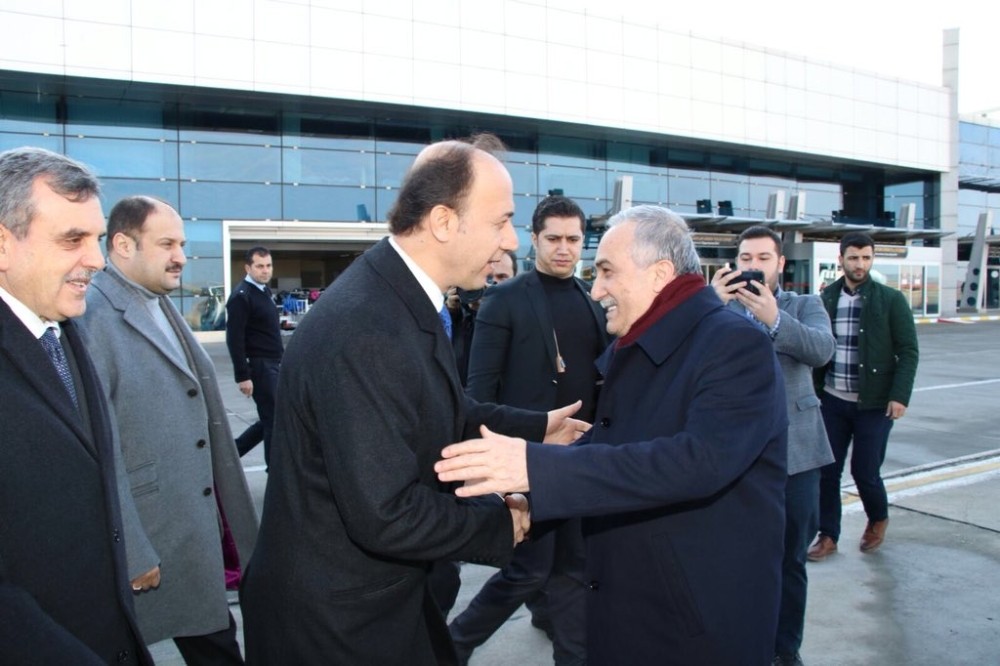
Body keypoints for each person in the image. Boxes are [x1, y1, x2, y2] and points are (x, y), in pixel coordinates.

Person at [240, 134, 588, 666]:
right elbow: (387, 513)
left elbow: (443, 412)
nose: (513, 242)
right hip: (338, 626)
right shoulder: (367, 326)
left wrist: (539, 429)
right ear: (445, 222)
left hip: (380, 602)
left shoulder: (400, 300)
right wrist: (501, 523)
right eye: (501, 221)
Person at [436, 204, 788, 665]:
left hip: (694, 623)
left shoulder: (734, 344)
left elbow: (696, 461)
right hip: (635, 605)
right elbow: (621, 446)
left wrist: (534, 464)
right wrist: (527, 485)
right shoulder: (644, 344)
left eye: (606, 271)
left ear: (660, 274)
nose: (596, 288)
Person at [79, 196, 259, 664]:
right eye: (166, 243)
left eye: (181, 243)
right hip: (154, 535)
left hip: (191, 529)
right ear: (122, 244)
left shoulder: (157, 300)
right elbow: (98, 447)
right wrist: (134, 550)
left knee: (215, 639)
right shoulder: (92, 317)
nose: (181, 255)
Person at [0, 146, 152, 664]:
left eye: (97, 240)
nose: (96, 259)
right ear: (2, 244)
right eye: (72, 240)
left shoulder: (62, 328)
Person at [451, 195, 611, 665]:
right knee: (531, 569)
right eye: (554, 238)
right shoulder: (505, 299)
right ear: (535, 239)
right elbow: (477, 397)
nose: (564, 248)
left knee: (570, 569)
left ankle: (563, 643)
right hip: (529, 461)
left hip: (584, 460)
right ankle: (453, 647)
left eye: (573, 239)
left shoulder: (593, 300)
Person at [712, 226, 835, 666]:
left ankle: (785, 651)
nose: (753, 266)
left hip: (797, 456)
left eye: (764, 258)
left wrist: (774, 318)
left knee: (790, 563)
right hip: (735, 458)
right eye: (746, 257)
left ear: (781, 264)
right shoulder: (719, 308)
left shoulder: (804, 305)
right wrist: (709, 304)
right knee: (736, 560)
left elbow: (822, 350)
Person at [807, 232, 919, 561]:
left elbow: (909, 351)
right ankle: (828, 535)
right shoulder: (825, 298)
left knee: (865, 471)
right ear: (841, 259)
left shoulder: (890, 299)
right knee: (827, 470)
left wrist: (900, 396)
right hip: (832, 400)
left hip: (874, 403)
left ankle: (877, 517)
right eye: (854, 257)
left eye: (866, 257)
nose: (860, 264)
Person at [225, 246, 283, 466]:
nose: (265, 270)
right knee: (273, 421)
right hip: (260, 367)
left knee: (271, 417)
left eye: (268, 265)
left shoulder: (263, 291)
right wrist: (243, 375)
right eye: (259, 266)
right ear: (248, 267)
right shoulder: (242, 296)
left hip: (274, 364)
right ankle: (274, 472)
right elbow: (234, 338)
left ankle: (232, 453)